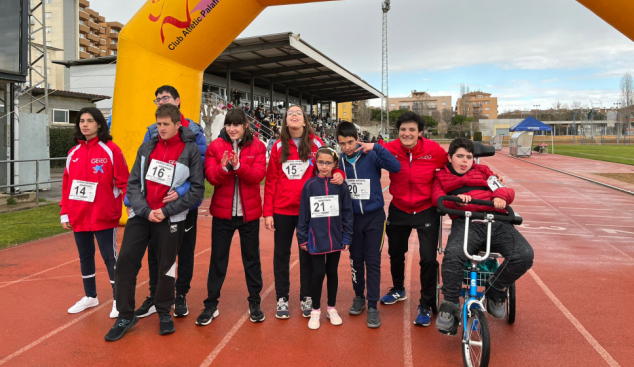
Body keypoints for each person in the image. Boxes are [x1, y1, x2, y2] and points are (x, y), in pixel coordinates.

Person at [105, 104, 204, 341]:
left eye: (166, 124)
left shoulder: (190, 150)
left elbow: (198, 190)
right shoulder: (147, 147)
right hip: (142, 216)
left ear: (178, 125)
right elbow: (133, 183)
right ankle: (125, 315)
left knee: (166, 267)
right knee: (126, 263)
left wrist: (167, 211)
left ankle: (164, 312)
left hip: (170, 217)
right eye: (158, 124)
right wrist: (145, 210)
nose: (161, 129)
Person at [432, 137, 534, 335]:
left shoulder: (484, 172)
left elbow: (507, 190)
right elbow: (437, 198)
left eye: (469, 157)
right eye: (459, 156)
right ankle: (450, 303)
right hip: (467, 222)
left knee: (523, 254)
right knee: (453, 254)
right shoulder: (441, 177)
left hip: (496, 221)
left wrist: (500, 197)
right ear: (450, 157)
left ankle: (495, 290)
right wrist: (456, 202)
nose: (464, 161)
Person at [263, 104, 345, 320]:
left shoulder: (316, 144)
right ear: (285, 120)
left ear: (305, 119)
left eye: (299, 112)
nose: (294, 115)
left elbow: (330, 162)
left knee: (308, 254)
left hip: (310, 211)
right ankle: (282, 298)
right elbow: (271, 180)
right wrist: (268, 212)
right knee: (281, 254)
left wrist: (338, 173)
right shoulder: (279, 146)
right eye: (290, 113)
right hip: (282, 209)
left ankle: (306, 296)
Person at [134, 85, 207, 320]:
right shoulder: (151, 131)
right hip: (156, 207)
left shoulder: (194, 130)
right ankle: (155, 295)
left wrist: (182, 190)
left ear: (177, 100)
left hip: (183, 205)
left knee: (184, 252)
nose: (160, 102)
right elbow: (143, 166)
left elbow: (200, 169)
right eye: (157, 100)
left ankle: (181, 294)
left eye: (165, 98)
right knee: (155, 254)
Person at [196, 108, 267, 326]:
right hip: (223, 214)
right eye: (228, 124)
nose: (232, 129)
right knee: (218, 259)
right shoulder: (216, 146)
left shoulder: (258, 146)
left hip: (249, 214)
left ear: (245, 125)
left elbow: (257, 176)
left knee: (251, 259)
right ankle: (210, 304)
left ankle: (255, 301)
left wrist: (238, 166)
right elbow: (211, 178)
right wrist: (225, 168)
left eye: (236, 125)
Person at [60, 107, 129, 319]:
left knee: (111, 258)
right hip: (78, 215)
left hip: (104, 215)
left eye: (90, 120)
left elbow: (124, 182)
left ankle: (119, 300)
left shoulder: (111, 150)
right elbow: (67, 184)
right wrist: (65, 212)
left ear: (99, 124)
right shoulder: (73, 153)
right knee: (85, 257)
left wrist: (132, 208)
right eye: (82, 120)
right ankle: (91, 296)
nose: (85, 124)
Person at [381, 112, 448, 327]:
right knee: (395, 253)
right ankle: (398, 289)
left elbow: (455, 166)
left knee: (428, 259)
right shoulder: (389, 148)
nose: (407, 133)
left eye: (412, 130)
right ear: (397, 132)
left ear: (420, 132)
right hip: (399, 209)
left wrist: (489, 175)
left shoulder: (433, 151)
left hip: (426, 210)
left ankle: (426, 304)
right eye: (403, 129)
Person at [336, 121, 400, 328]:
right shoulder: (339, 163)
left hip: (374, 218)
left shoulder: (371, 155)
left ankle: (372, 305)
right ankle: (359, 297)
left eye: (350, 142)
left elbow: (396, 167)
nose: (347, 147)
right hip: (352, 219)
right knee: (356, 260)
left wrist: (378, 147)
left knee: (372, 262)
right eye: (342, 143)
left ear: (357, 139)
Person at [297, 147, 353, 330]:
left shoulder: (341, 186)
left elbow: (347, 213)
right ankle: (315, 310)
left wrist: (347, 237)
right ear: (316, 163)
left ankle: (331, 308)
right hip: (316, 238)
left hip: (335, 238)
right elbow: (304, 214)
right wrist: (302, 237)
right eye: (321, 162)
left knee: (333, 272)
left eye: (328, 163)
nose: (324, 166)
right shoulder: (310, 185)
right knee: (318, 273)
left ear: (335, 164)